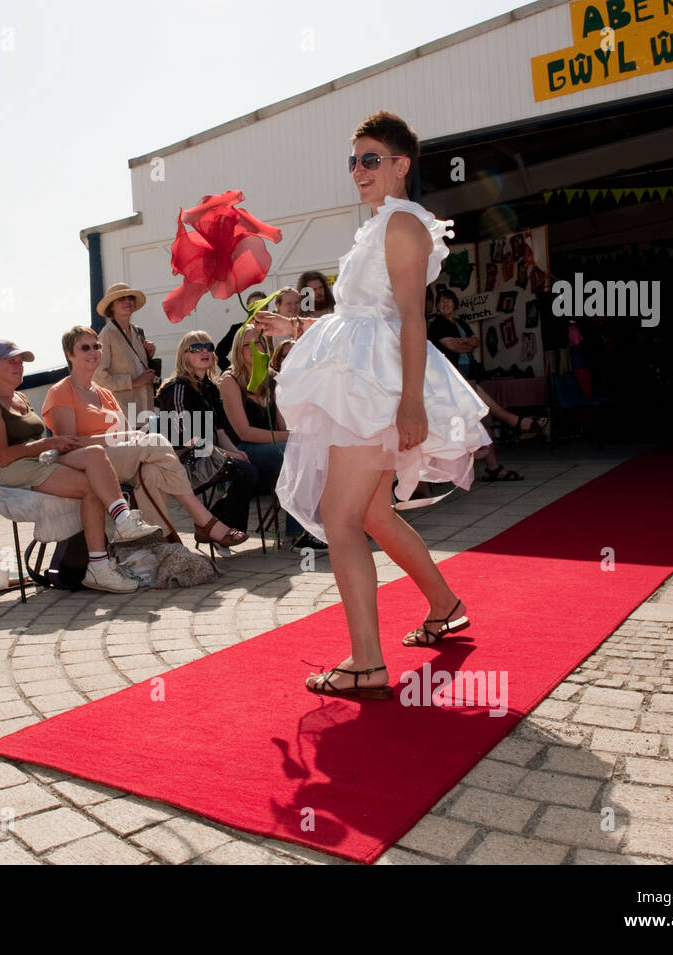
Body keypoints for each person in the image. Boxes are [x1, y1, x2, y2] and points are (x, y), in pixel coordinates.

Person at [256, 110, 491, 698]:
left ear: (399, 164)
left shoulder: (403, 224)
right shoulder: (383, 223)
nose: (357, 170)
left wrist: (411, 406)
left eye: (369, 159)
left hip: (374, 392)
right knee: (373, 515)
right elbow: (363, 316)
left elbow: (411, 318)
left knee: (340, 518)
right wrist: (296, 326)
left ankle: (366, 664)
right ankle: (445, 604)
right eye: (353, 161)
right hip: (365, 382)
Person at [0, 340, 161, 594]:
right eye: (11, 361)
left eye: (21, 361)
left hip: (35, 459)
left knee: (94, 453)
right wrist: (49, 443)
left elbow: (36, 445)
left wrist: (56, 445)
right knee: (91, 488)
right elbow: (3, 456)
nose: (19, 366)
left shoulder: (20, 397)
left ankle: (123, 521)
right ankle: (99, 567)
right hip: (7, 468)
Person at [43, 325, 247, 549]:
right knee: (156, 441)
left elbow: (127, 436)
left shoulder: (104, 393)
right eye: (85, 348)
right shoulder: (61, 391)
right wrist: (123, 437)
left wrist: (128, 436)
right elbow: (69, 445)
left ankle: (162, 544)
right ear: (69, 355)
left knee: (152, 472)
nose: (93, 352)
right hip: (88, 464)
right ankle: (205, 521)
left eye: (96, 346)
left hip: (118, 459)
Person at [216, 324, 322, 551]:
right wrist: (293, 437)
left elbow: (282, 423)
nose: (253, 348)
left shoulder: (272, 377)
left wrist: (299, 432)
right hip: (242, 447)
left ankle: (322, 524)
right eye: (247, 345)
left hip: (272, 445)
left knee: (314, 451)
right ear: (238, 350)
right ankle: (300, 533)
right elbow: (244, 432)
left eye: (258, 343)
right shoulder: (229, 380)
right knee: (293, 454)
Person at [428, 288, 546, 482]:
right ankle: (515, 423)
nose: (444, 304)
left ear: (455, 303)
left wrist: (466, 343)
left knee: (483, 417)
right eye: (441, 301)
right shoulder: (437, 325)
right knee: (478, 418)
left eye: (448, 300)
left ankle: (497, 460)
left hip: (467, 375)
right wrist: (466, 343)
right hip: (450, 379)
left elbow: (476, 342)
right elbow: (453, 346)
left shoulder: (460, 323)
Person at [156, 331, 258, 536]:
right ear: (184, 355)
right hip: (184, 460)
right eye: (196, 348)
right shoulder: (177, 388)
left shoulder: (211, 386)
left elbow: (220, 431)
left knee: (250, 467)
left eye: (208, 347)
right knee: (245, 472)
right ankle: (223, 530)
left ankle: (216, 524)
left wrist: (235, 451)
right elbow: (186, 437)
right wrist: (226, 454)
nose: (204, 351)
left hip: (208, 453)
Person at [94, 283, 157, 421]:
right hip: (123, 413)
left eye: (130, 298)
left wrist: (149, 354)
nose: (127, 301)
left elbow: (136, 365)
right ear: (111, 306)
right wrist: (133, 382)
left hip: (145, 410)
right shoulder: (106, 335)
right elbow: (99, 377)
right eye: (121, 299)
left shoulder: (137, 332)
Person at [215, 291, 267, 371]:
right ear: (248, 308)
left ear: (266, 308)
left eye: (261, 305)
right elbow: (218, 353)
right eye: (253, 305)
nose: (257, 308)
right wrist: (233, 371)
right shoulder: (238, 329)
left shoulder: (275, 328)